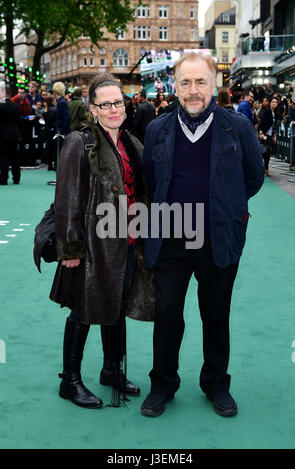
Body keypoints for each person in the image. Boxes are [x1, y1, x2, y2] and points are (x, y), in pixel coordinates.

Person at [140, 52, 264, 418]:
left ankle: (216, 384)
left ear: (215, 85)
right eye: (185, 83)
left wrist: (226, 209)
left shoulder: (237, 127)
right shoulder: (157, 129)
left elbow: (252, 178)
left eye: (200, 82)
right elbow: (152, 181)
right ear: (174, 86)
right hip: (170, 240)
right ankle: (162, 383)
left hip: (218, 240)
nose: (193, 91)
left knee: (216, 314)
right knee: (167, 316)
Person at [49, 72, 153, 409]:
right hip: (91, 247)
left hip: (126, 245)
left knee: (116, 307)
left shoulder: (131, 142)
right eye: (105, 104)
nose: (113, 109)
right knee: (82, 311)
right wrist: (69, 249)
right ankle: (70, 381)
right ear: (93, 109)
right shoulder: (80, 142)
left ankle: (111, 370)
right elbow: (65, 199)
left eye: (117, 102)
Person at [0, 81, 22, 185]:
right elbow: (19, 121)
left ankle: (4, 179)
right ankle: (16, 178)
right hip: (14, 133)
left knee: (3, 157)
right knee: (15, 157)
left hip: (3, 135)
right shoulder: (16, 106)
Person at [258, 96, 279, 176]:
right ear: (270, 103)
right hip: (264, 134)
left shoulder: (276, 113)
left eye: (276, 102)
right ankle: (260, 168)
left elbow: (275, 125)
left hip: (270, 135)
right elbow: (261, 122)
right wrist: (261, 133)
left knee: (268, 152)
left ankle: (266, 169)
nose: (274, 103)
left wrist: (274, 135)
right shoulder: (266, 111)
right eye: (273, 102)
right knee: (263, 151)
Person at [52, 81, 71, 153]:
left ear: (55, 91)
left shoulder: (62, 102)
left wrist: (62, 131)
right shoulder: (60, 101)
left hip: (61, 133)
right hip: (61, 132)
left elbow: (67, 117)